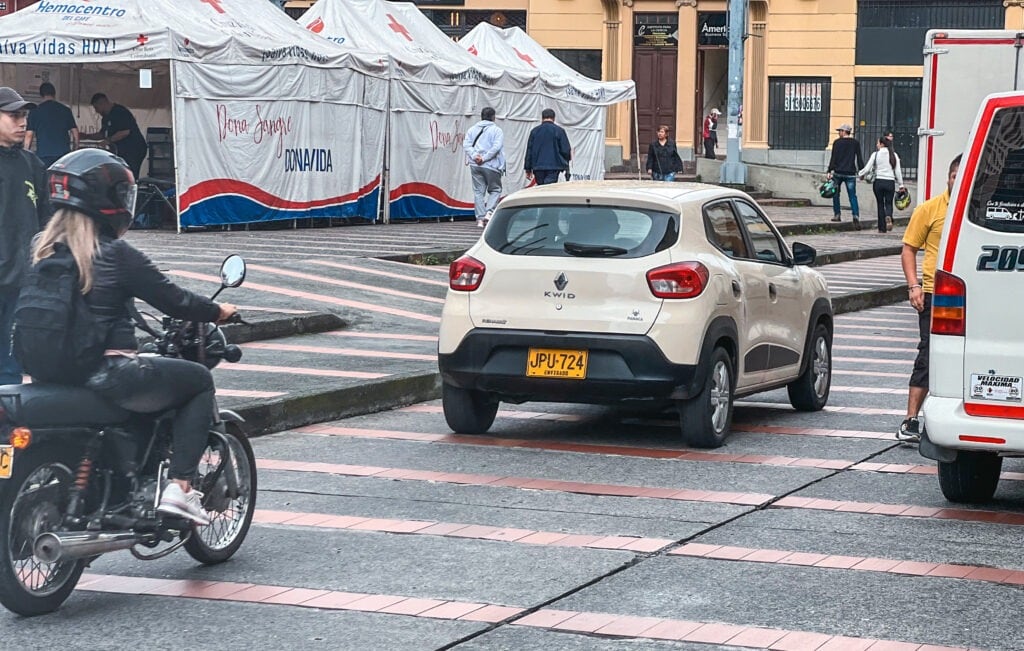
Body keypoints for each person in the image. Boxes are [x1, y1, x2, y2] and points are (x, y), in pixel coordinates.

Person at [37, 148, 237, 523]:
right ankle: (181, 487)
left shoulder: (43, 250)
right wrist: (217, 311)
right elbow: (173, 299)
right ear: (112, 200)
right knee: (197, 380)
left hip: (54, 375)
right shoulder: (115, 254)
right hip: (108, 373)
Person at [897, 154, 961, 443]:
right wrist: (914, 287)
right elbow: (908, 249)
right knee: (929, 354)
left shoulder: (981, 209)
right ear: (948, 178)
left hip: (972, 293)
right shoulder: (930, 209)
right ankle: (910, 420)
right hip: (939, 294)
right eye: (953, 176)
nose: (957, 182)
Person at [0, 87, 50, 386]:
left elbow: (47, 219)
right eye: (13, 115)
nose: (22, 122)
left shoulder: (33, 165)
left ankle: (6, 429)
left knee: (10, 366)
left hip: (23, 280)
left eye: (24, 116)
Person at [79, 93, 147, 179]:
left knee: (130, 174)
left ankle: (132, 190)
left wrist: (108, 141)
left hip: (133, 149)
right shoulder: (105, 118)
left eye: (96, 108)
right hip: (121, 151)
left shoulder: (120, 112)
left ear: (102, 103)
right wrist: (86, 136)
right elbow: (102, 134)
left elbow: (125, 131)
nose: (96, 111)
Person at [463, 106, 505, 228]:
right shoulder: (497, 130)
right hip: (491, 165)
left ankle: (480, 219)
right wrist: (485, 158)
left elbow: (466, 144)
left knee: (478, 191)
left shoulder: (472, 129)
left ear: (481, 116)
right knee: (495, 189)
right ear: (493, 117)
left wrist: (475, 156)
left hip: (475, 165)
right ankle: (489, 212)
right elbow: (496, 147)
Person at [24, 82, 78, 167]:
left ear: (41, 95)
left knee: (45, 179)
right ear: (54, 94)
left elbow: (29, 136)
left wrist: (25, 155)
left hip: (44, 155)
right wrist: (74, 150)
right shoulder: (65, 110)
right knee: (63, 179)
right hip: (64, 155)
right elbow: (75, 133)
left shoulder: (35, 112)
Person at [859, 136, 905, 233]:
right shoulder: (894, 155)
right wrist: (901, 185)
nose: (877, 145)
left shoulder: (875, 155)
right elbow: (898, 171)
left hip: (878, 182)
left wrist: (861, 174)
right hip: (890, 182)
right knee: (888, 202)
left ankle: (882, 228)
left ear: (882, 144)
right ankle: (888, 215)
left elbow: (867, 168)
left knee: (880, 204)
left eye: (878, 143)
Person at [826, 124, 865, 228]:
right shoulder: (855, 143)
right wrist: (862, 171)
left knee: (835, 194)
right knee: (852, 196)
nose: (839, 133)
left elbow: (833, 158)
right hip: (850, 173)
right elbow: (859, 158)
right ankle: (855, 215)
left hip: (838, 172)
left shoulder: (837, 143)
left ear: (844, 131)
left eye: (840, 131)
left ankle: (837, 214)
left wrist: (829, 170)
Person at [524, 108, 572, 186]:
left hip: (538, 167)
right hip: (554, 167)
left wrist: (528, 168)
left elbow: (529, 151)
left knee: (541, 188)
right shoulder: (559, 131)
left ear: (542, 118)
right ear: (554, 118)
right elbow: (565, 150)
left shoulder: (534, 131)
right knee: (549, 189)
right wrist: (565, 163)